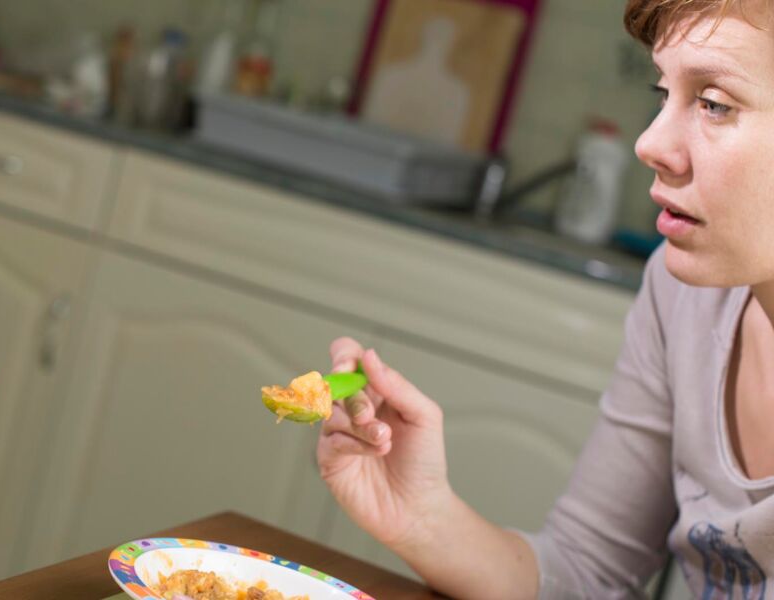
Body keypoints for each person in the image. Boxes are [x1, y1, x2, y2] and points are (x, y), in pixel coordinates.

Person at [316, 0, 774, 597]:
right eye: (665, 94)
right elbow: (585, 572)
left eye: (714, 104)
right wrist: (422, 517)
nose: (650, 144)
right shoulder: (681, 295)